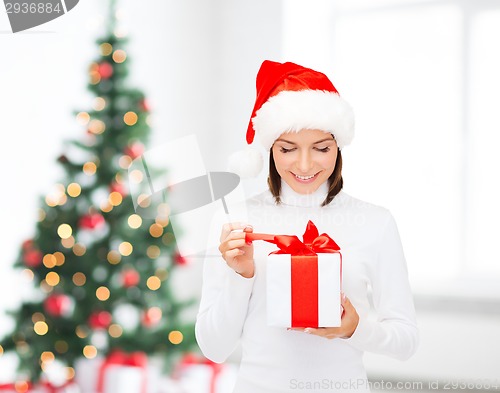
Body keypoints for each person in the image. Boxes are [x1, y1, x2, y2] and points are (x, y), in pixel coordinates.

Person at [195, 60, 418, 393]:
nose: (304, 165)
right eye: (287, 149)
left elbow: (406, 341)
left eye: (321, 148)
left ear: (338, 147)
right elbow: (214, 348)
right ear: (269, 149)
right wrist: (241, 276)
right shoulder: (236, 223)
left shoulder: (376, 222)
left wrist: (355, 329)